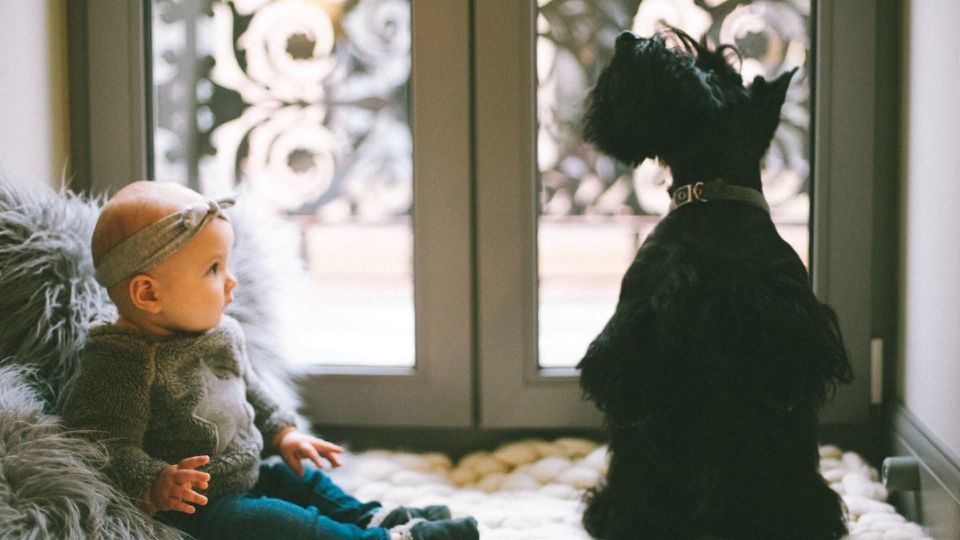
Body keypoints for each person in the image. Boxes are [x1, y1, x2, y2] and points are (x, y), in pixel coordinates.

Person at [63, 181, 479, 540]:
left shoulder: (220, 332)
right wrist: (155, 482)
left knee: (307, 481)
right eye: (213, 269)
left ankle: (374, 517)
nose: (232, 280)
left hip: (251, 470)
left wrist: (283, 434)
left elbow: (249, 389)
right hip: (202, 506)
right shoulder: (121, 360)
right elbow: (104, 444)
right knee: (283, 524)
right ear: (148, 294)